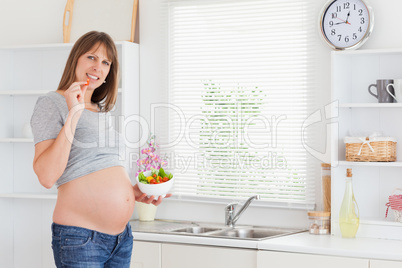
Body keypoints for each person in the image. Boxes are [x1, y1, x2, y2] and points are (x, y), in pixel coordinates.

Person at [30, 31, 168, 267]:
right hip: (81, 238)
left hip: (121, 239)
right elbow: (46, 176)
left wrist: (132, 192)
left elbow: (101, 167)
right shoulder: (51, 102)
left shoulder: (101, 110)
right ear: (76, 59)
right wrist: (74, 111)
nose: (98, 67)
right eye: (91, 57)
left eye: (106, 62)